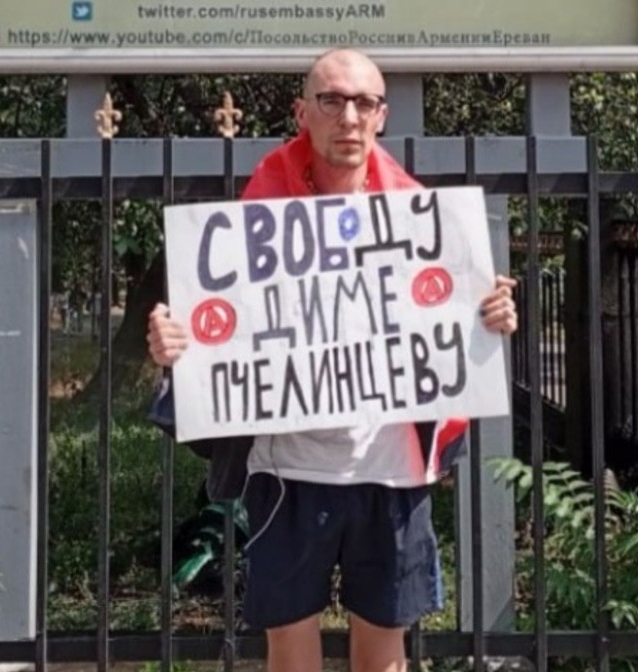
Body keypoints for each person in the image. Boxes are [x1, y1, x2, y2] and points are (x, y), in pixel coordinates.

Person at [145, 48, 518, 672]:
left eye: (364, 102)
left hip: (393, 471)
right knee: (290, 651)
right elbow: (214, 329)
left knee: (385, 653)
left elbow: (451, 324)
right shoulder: (255, 219)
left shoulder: (421, 219)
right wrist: (173, 343)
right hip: (287, 471)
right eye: (332, 100)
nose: (349, 116)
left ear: (381, 116)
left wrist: (491, 315)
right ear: (303, 112)